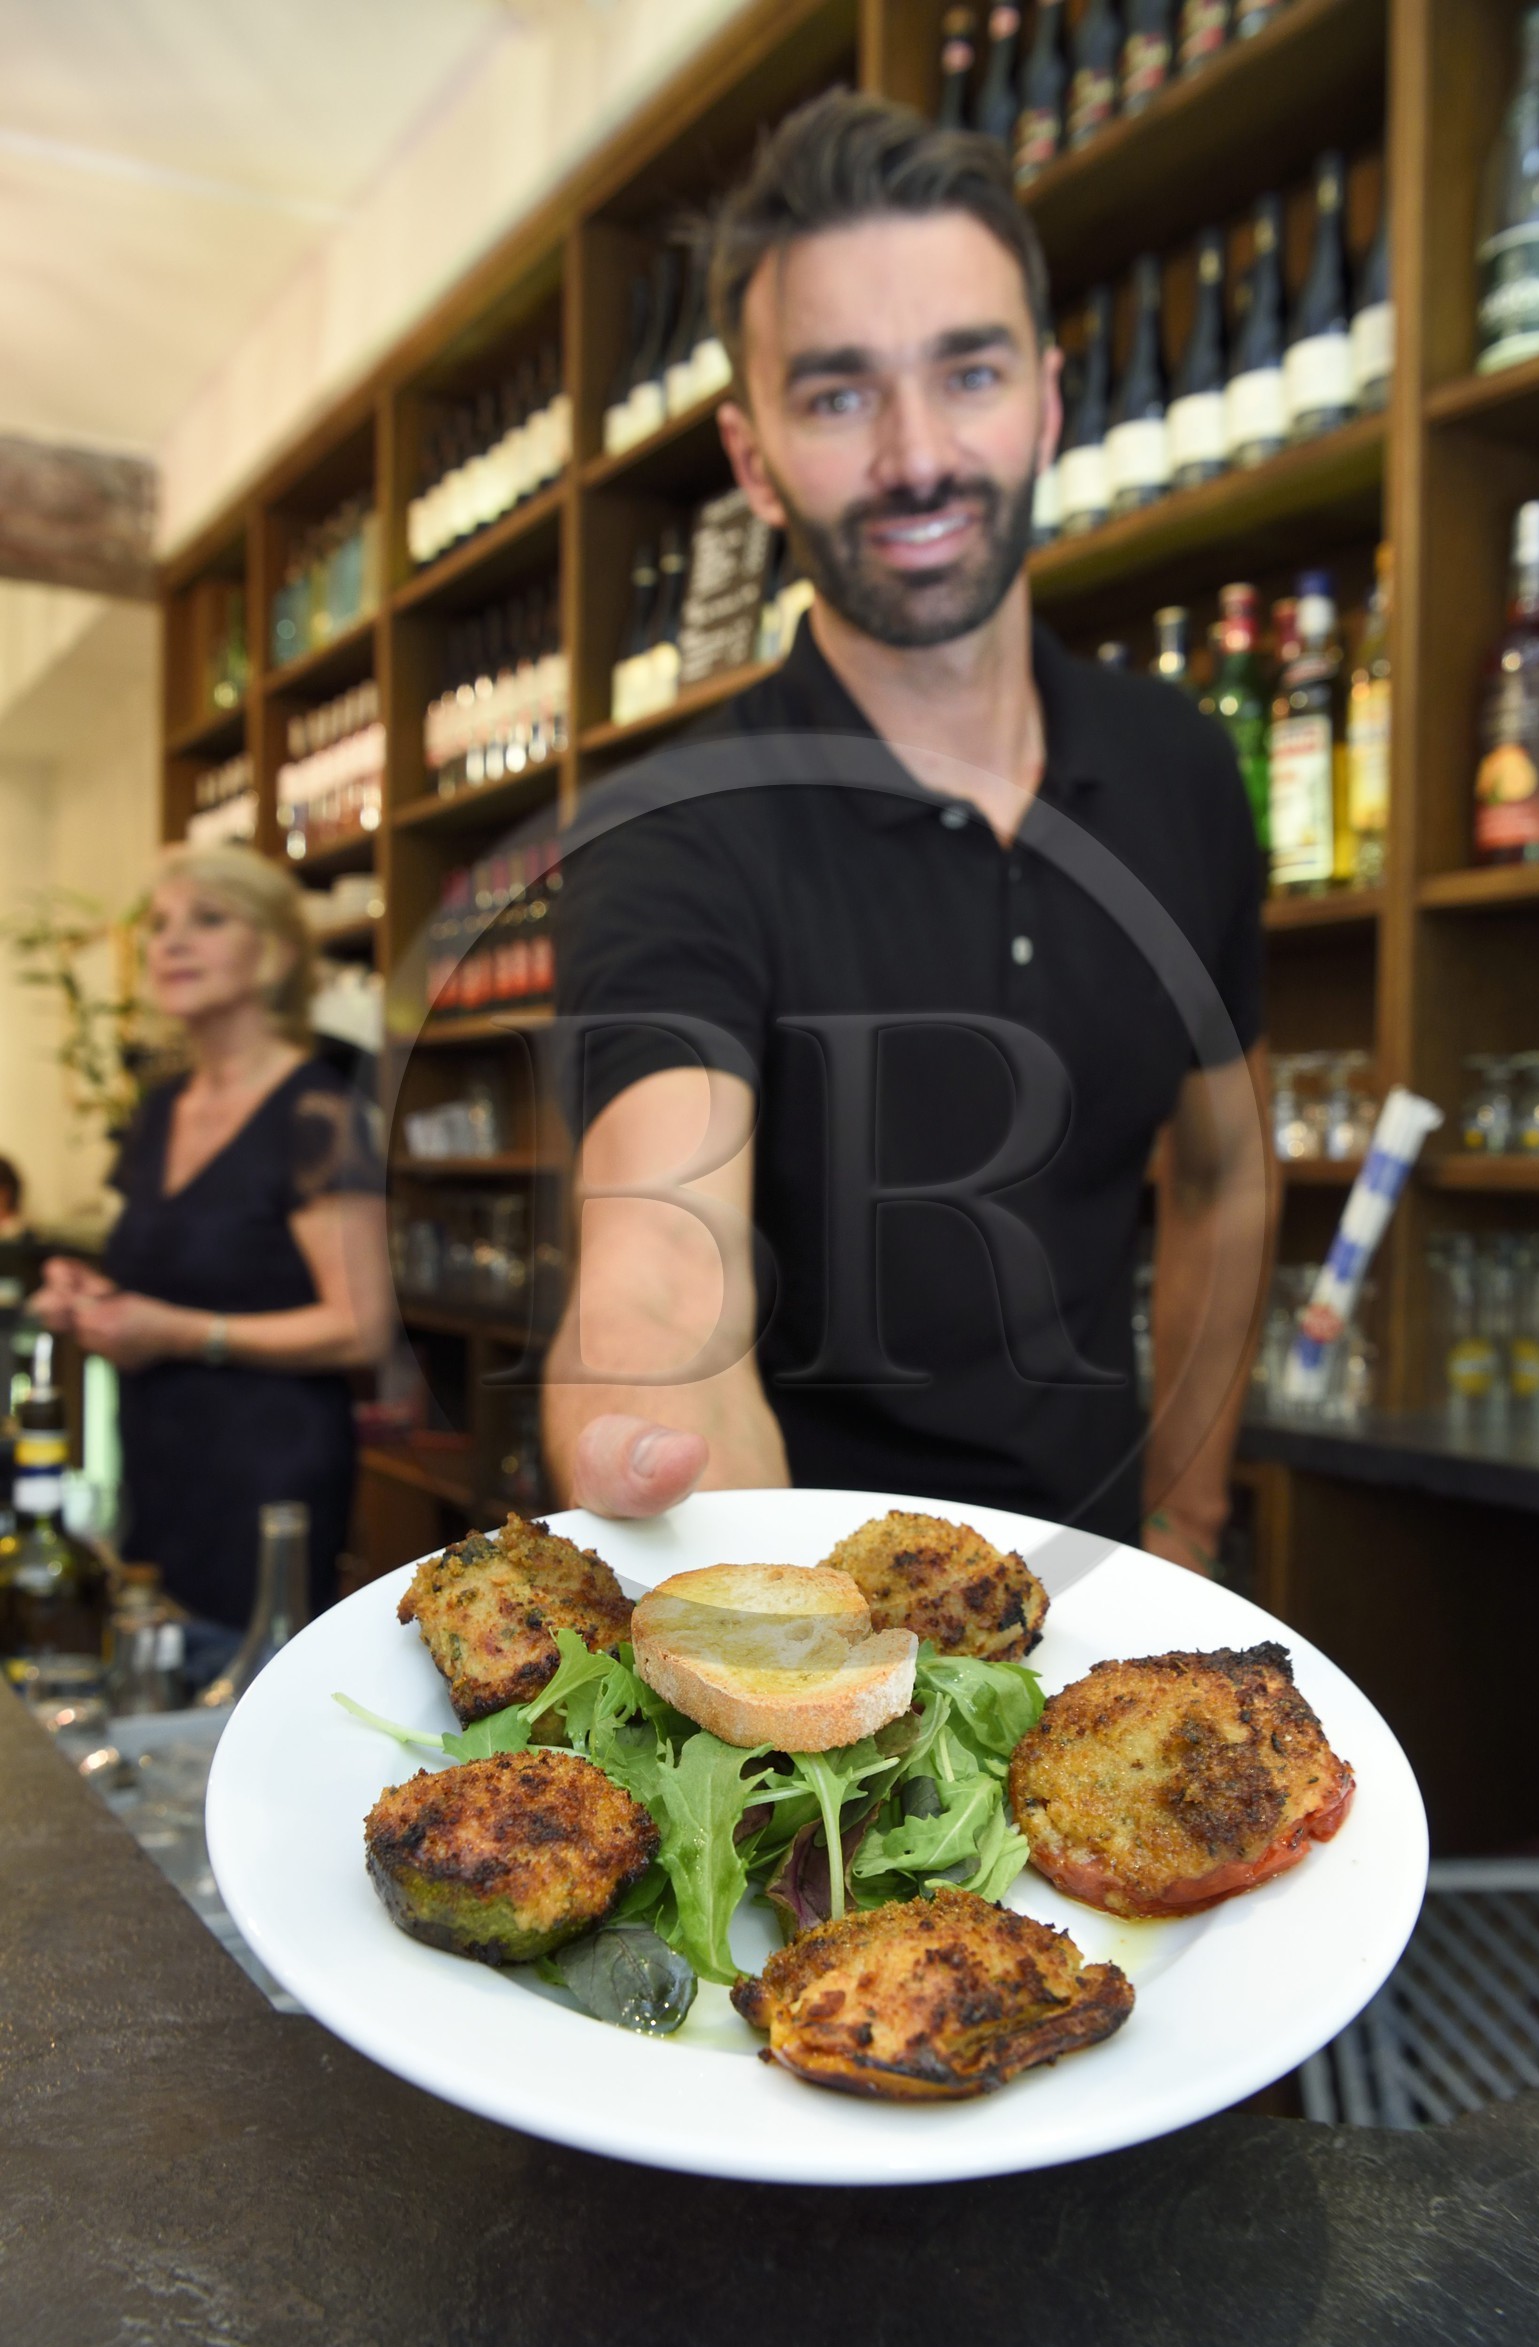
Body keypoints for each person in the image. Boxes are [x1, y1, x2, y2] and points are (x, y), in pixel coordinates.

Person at [545, 91, 1279, 1575]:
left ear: (1050, 397)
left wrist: (1186, 1520)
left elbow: (1222, 1171)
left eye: (970, 371)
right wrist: (672, 1449)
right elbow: (663, 1255)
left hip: (1097, 1599)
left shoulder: (1183, 769)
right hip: (819, 1662)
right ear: (753, 463)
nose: (917, 453)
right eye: (837, 395)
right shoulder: (673, 832)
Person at [30, 846, 392, 1643]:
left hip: (268, 1479)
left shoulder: (314, 1111)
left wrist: (181, 1332)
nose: (171, 943)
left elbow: (362, 1324)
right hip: (160, 1460)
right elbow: (171, 1271)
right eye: (159, 927)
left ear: (276, 954)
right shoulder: (160, 1110)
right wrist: (89, 1295)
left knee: (241, 1684)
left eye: (207, 919)